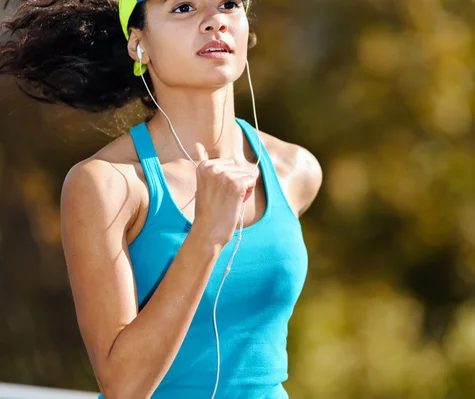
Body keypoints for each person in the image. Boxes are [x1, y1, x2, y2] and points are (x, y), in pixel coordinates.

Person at [0, 1, 323, 398]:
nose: (214, 21)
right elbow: (124, 386)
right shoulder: (107, 184)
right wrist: (206, 236)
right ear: (139, 44)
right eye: (184, 7)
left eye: (229, 4)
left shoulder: (296, 171)